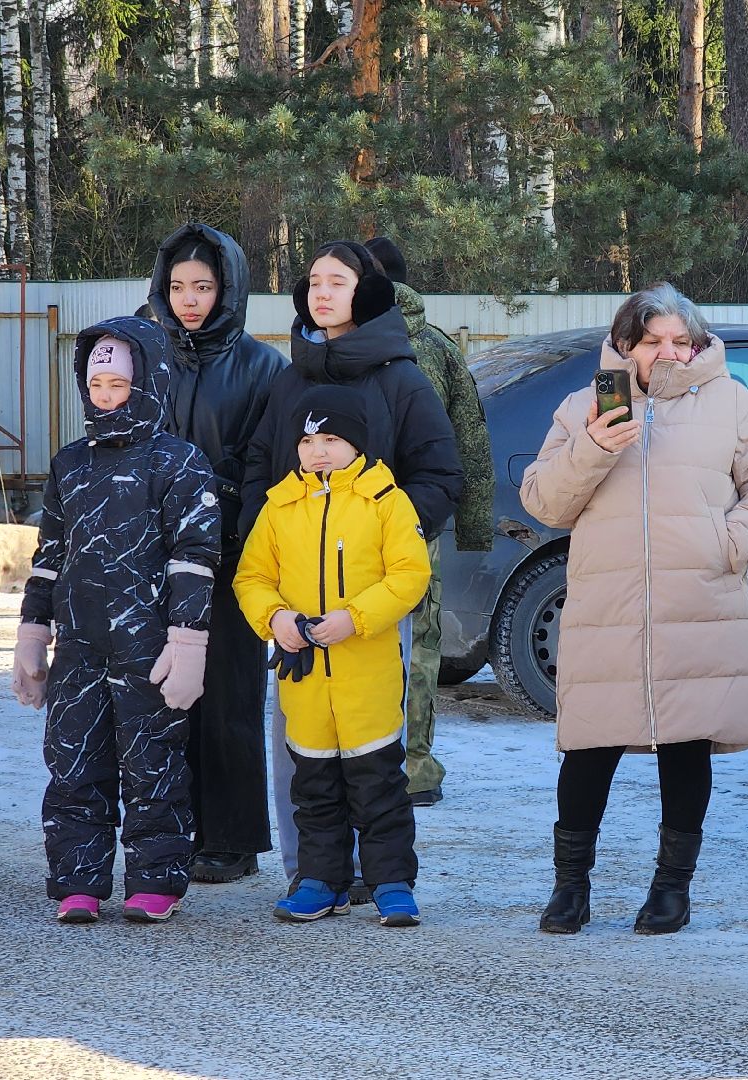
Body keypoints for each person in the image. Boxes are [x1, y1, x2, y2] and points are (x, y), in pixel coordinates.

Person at [519, 283, 748, 936]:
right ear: (625, 346)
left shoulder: (731, 402)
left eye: (682, 340)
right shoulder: (585, 405)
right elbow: (543, 502)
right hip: (608, 609)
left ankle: (671, 889)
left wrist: (728, 542)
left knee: (686, 747)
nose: (669, 353)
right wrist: (593, 446)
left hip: (697, 603)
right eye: (653, 341)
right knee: (588, 749)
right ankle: (571, 889)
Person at [242, 239, 462, 898]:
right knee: (299, 745)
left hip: (371, 603)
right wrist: (273, 544)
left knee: (371, 749)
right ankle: (313, 873)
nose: (322, 292)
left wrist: (380, 525)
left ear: (365, 293)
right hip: (296, 605)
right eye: (313, 281)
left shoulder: (402, 375)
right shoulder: (290, 379)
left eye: (337, 281)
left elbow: (441, 474)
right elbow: (260, 470)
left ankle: (382, 875)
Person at [11, 317, 221, 924]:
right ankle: (78, 881)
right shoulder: (71, 463)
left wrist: (188, 643)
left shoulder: (180, 463)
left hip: (149, 647)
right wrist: (33, 633)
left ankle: (155, 879)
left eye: (118, 384)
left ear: (148, 384)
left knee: (153, 763)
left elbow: (195, 559)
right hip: (80, 645)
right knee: (74, 763)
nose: (105, 394)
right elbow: (51, 553)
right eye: (96, 382)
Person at [234, 385, 432, 925]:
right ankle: (322, 879)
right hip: (305, 679)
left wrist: (354, 618)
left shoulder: (386, 501)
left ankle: (390, 880)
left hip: (366, 673)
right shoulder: (279, 508)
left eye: (331, 438)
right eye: (307, 440)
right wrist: (275, 619)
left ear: (357, 443)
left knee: (379, 785)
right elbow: (251, 577)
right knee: (314, 785)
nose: (318, 450)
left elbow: (410, 574)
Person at [146, 224, 287, 885]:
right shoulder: (147, 356)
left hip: (232, 554)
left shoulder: (264, 366)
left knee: (228, 696)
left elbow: (268, 466)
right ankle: (173, 828)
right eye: (177, 287)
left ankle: (232, 839)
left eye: (203, 287)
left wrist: (234, 526)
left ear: (228, 289)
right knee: (165, 696)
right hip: (156, 553)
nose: (189, 300)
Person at [363, 236, 493, 809]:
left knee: (372, 644)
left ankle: (372, 760)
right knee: (420, 645)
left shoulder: (349, 345)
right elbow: (471, 441)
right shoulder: (436, 348)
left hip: (355, 526)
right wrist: (472, 526)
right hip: (419, 524)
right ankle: (412, 766)